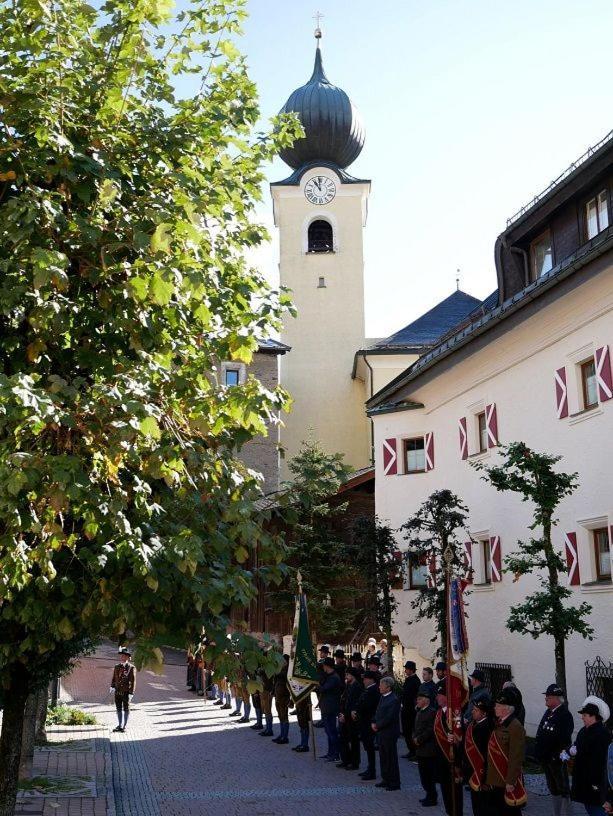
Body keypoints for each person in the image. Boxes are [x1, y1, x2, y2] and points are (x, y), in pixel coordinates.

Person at [534, 683, 574, 816]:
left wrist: (556, 756)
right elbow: (541, 732)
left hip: (556, 759)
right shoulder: (549, 712)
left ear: (557, 698)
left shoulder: (564, 715)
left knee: (563, 789)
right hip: (546, 758)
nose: (546, 698)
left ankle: (566, 813)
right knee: (553, 788)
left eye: (548, 696)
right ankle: (557, 813)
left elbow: (563, 739)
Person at [568, 696, 611, 816]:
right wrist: (571, 750)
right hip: (583, 780)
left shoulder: (602, 734)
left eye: (585, 715)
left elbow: (602, 762)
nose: (582, 717)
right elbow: (577, 746)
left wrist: (597, 784)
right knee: (589, 807)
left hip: (595, 782)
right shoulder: (584, 731)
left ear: (593, 716)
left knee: (597, 809)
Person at [486, 688, 527, 814]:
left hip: (505, 779)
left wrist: (511, 781)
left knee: (510, 811)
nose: (495, 708)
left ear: (507, 708)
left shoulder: (515, 727)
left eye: (498, 705)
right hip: (496, 777)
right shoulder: (500, 722)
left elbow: (516, 757)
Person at [433, 681, 464, 816]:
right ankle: (449, 812)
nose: (437, 698)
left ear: (447, 697)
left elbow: (459, 740)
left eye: (440, 695)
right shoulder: (439, 713)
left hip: (452, 760)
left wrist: (457, 763)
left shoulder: (456, 714)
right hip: (441, 758)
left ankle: (456, 813)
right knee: (445, 789)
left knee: (455, 791)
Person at [463, 698, 494, 816]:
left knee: (482, 806)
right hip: (472, 771)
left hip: (481, 773)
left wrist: (485, 778)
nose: (472, 712)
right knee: (476, 804)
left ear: (484, 713)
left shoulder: (486, 728)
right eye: (473, 709)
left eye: (476, 710)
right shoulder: (474, 725)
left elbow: (487, 755)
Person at [372, 676, 401, 791]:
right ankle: (386, 778)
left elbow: (389, 717)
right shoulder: (383, 697)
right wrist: (373, 721)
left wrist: (377, 725)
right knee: (383, 757)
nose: (379, 687)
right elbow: (378, 711)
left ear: (388, 687)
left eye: (381, 685)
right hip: (381, 732)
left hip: (389, 733)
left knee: (391, 758)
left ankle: (394, 782)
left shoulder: (393, 699)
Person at [413, 683, 438, 806]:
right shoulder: (420, 712)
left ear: (425, 700)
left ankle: (432, 797)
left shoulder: (432, 712)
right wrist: (414, 738)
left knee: (429, 776)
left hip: (428, 749)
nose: (417, 701)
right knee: (423, 776)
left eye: (419, 699)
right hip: (420, 748)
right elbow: (416, 728)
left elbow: (430, 730)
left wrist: (419, 739)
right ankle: (428, 794)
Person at [357, 669, 381, 781]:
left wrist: (358, 710)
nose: (364, 681)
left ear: (371, 680)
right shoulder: (367, 689)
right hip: (364, 721)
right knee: (367, 747)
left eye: (365, 679)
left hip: (369, 722)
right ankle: (369, 768)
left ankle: (372, 770)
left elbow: (368, 706)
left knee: (370, 747)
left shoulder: (374, 690)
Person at [338, 667, 362, 770]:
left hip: (351, 719)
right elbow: (344, 700)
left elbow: (354, 705)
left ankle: (354, 762)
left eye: (347, 675)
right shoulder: (348, 686)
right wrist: (341, 714)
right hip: (344, 717)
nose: (346, 677)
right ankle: (346, 760)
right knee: (343, 739)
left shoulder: (357, 687)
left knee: (354, 741)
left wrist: (346, 715)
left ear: (352, 676)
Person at [319, 656, 342, 761]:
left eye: (323, 665)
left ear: (327, 666)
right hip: (326, 707)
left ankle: (335, 754)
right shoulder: (328, 676)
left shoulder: (334, 678)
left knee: (332, 732)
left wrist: (315, 685)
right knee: (328, 731)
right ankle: (330, 752)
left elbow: (324, 689)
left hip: (330, 708)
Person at [110, 647, 136, 733]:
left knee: (126, 709)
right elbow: (114, 678)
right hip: (117, 691)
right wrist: (112, 686)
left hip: (126, 692)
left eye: (124, 656)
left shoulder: (131, 668)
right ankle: (120, 725)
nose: (122, 658)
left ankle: (124, 726)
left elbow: (133, 681)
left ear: (128, 657)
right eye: (121, 656)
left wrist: (131, 693)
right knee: (118, 708)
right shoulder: (117, 666)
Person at [401, 660, 421, 759]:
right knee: (406, 732)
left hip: (411, 711)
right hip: (405, 709)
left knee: (411, 731)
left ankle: (415, 751)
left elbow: (416, 696)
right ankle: (411, 750)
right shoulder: (409, 679)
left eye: (407, 669)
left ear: (411, 670)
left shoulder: (415, 681)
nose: (405, 671)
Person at [272, 654, 291, 744]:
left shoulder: (288, 671)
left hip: (284, 696)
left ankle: (285, 736)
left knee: (284, 716)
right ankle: (281, 734)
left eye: (283, 661)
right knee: (280, 716)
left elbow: (280, 676)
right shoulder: (280, 669)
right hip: (278, 695)